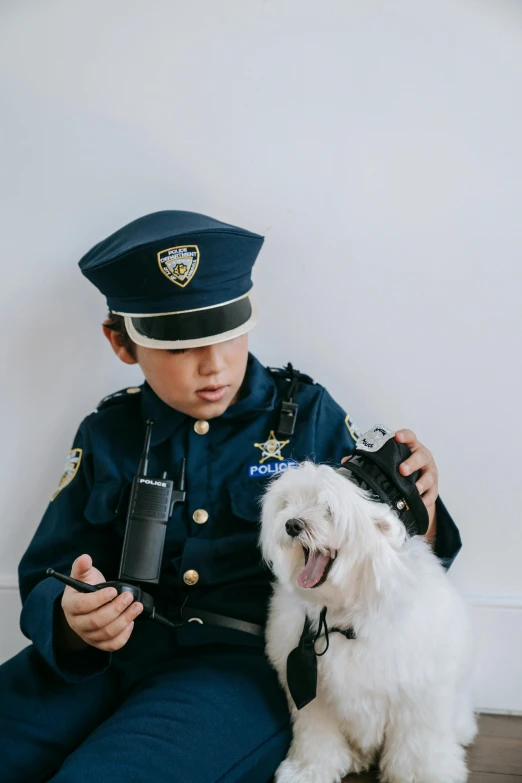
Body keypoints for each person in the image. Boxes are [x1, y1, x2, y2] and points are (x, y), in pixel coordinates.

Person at [0, 211, 462, 783]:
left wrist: (424, 504)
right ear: (121, 342)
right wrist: (71, 619)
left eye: (225, 332)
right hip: (99, 662)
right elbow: (46, 569)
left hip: (233, 671)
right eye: (178, 344)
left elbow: (395, 559)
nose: (213, 364)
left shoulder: (309, 417)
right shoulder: (109, 432)